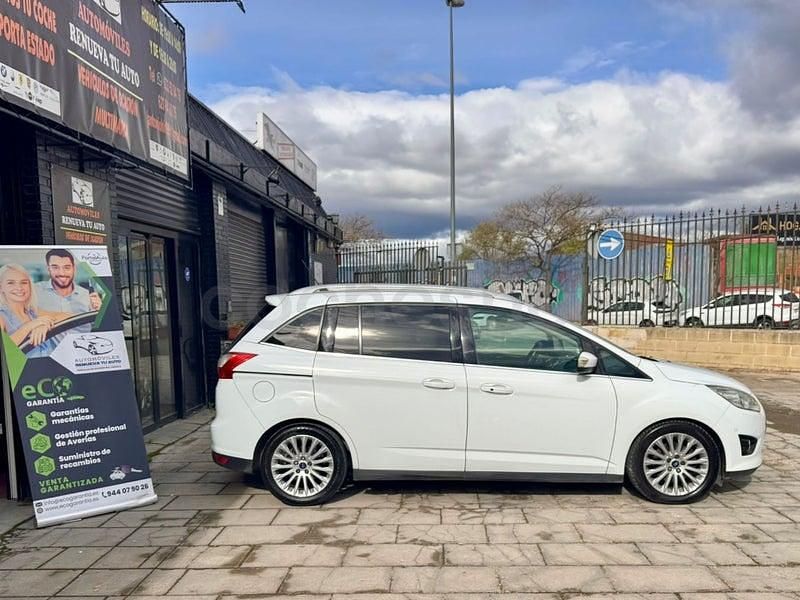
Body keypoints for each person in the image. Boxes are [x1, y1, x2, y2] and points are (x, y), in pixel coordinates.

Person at [0, 264, 73, 358]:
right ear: (1, 287)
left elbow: (69, 316)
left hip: (49, 368)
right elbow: (4, 348)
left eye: (24, 282)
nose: (19, 288)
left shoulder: (32, 312)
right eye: (11, 283)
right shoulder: (2, 316)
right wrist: (31, 326)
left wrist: (44, 324)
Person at [36, 249, 102, 316]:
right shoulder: (35, 291)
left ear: (74, 269)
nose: (62, 273)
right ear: (48, 269)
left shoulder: (87, 296)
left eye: (67, 268)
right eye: (55, 267)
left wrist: (100, 312)